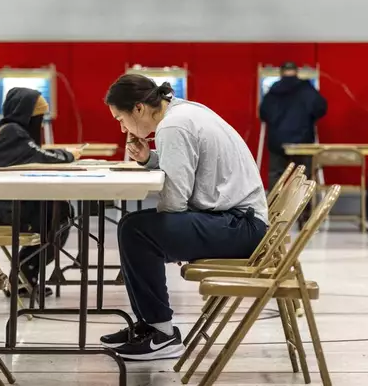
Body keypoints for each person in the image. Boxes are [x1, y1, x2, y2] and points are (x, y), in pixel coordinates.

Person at [100, 74, 268, 360]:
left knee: (137, 231)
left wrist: (169, 237)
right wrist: (149, 160)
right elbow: (187, 167)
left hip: (241, 227)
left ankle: (162, 334)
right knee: (135, 226)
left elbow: (175, 199)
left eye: (120, 119)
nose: (121, 127)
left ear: (138, 108)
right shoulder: (183, 111)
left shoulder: (173, 126)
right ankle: (150, 326)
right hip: (242, 221)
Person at [0, 87, 82, 297]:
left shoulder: (8, 130)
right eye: (38, 116)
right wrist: (69, 155)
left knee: (58, 210)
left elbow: (34, 154)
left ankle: (25, 275)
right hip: (4, 211)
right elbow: (41, 156)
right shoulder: (13, 132)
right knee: (59, 215)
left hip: (6, 203)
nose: (40, 121)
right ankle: (23, 275)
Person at [259, 61, 327, 223]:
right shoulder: (307, 89)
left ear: (281, 73)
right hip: (302, 141)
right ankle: (304, 212)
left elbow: (263, 113)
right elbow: (321, 108)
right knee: (304, 176)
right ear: (297, 72)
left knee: (276, 175)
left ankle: (274, 212)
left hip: (277, 141)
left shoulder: (272, 91)